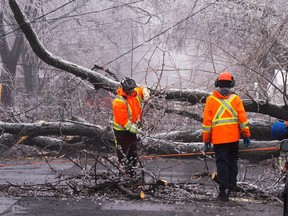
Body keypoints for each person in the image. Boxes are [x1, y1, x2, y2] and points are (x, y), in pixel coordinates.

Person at [202, 71, 251, 202]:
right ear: (231, 84)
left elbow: (207, 122)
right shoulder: (236, 99)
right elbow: (243, 119)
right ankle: (232, 186)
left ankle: (223, 191)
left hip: (218, 139)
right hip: (233, 138)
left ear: (217, 84)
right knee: (232, 162)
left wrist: (206, 139)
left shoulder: (211, 100)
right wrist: (246, 135)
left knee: (222, 163)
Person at [112, 77, 150, 177]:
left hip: (133, 130)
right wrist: (138, 131)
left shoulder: (135, 93)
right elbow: (125, 123)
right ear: (124, 89)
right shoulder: (119, 102)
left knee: (133, 154)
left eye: (132, 89)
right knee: (124, 156)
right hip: (122, 132)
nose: (131, 91)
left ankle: (132, 175)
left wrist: (146, 93)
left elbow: (142, 88)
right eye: (129, 90)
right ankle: (123, 177)